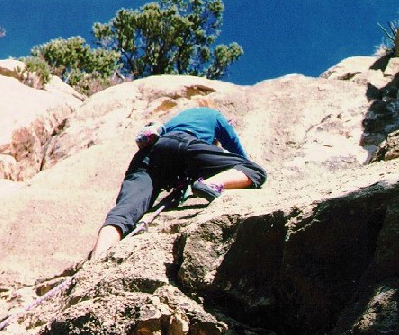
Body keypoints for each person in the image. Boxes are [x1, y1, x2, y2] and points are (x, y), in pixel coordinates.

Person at [89, 107, 267, 260]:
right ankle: (212, 184)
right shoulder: (214, 115)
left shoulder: (174, 121)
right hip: (185, 144)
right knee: (255, 171)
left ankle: (96, 260)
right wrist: (239, 163)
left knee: (124, 211)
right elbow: (235, 147)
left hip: (149, 155)